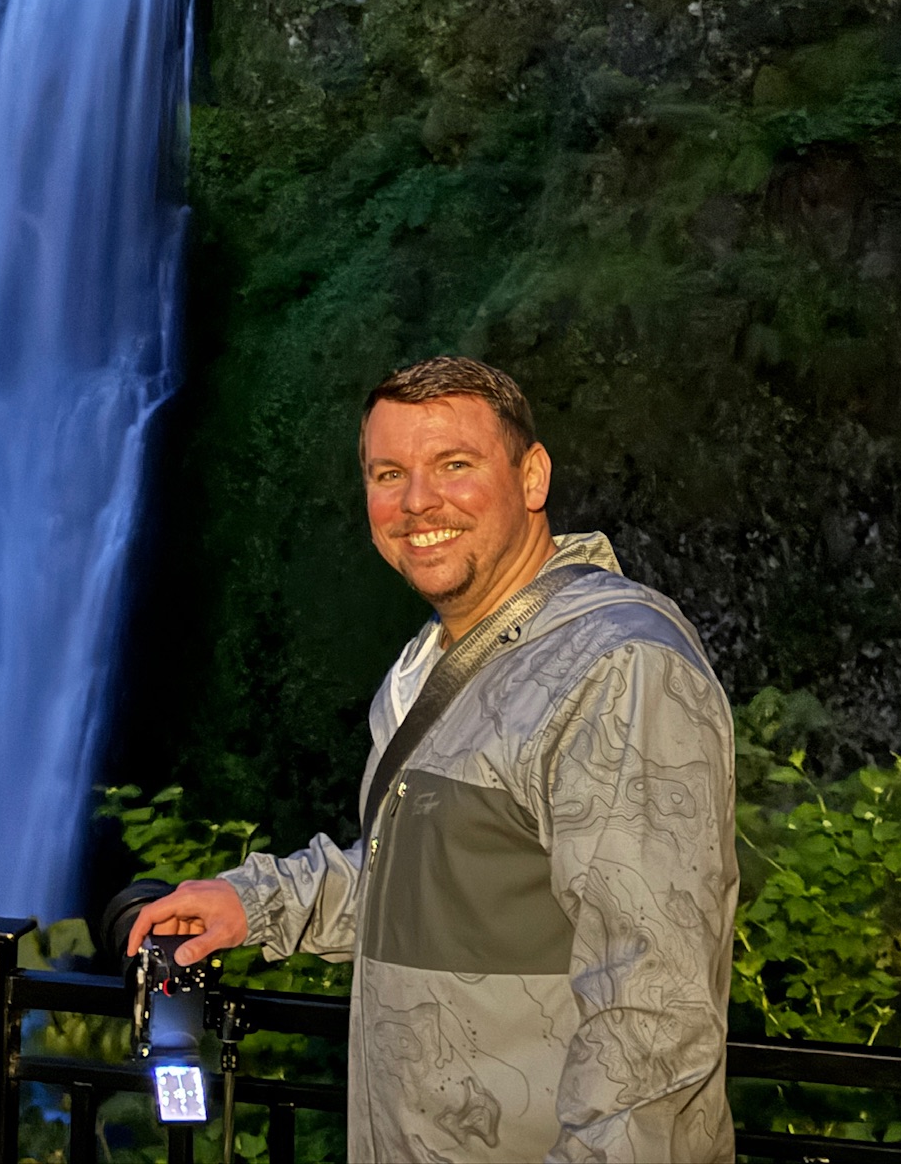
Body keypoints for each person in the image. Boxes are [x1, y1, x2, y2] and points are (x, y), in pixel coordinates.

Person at [127, 356, 737, 1162]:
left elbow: (653, 1011)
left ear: (532, 476)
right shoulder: (438, 666)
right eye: (389, 473)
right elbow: (439, 882)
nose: (417, 502)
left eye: (455, 465)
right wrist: (259, 904)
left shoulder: (617, 668)